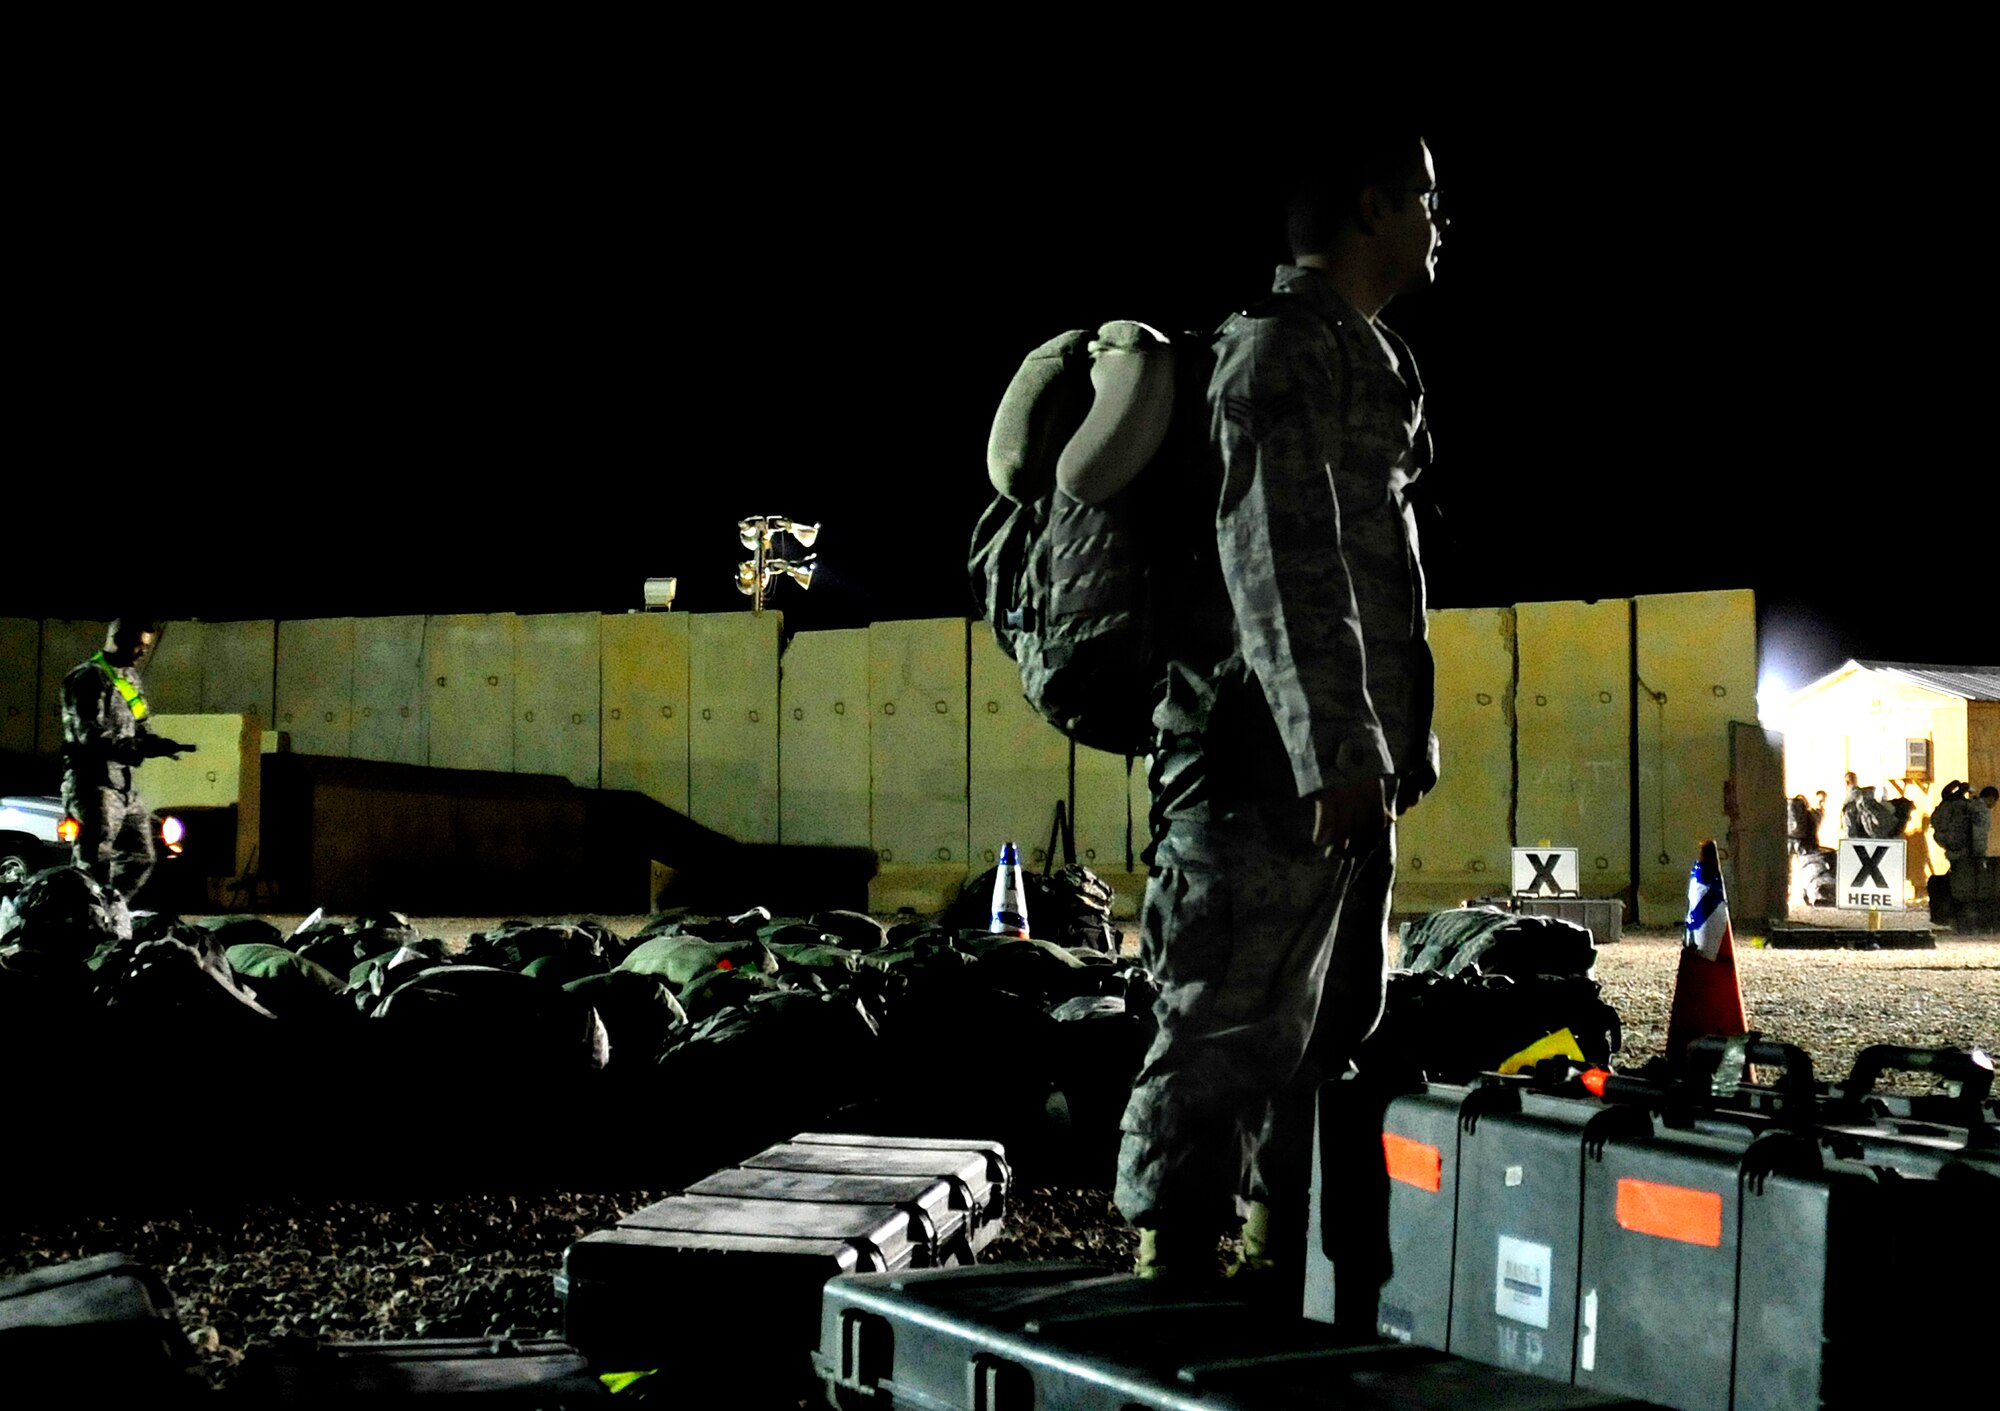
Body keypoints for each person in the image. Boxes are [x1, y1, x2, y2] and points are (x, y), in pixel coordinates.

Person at [1114, 129, 1445, 1300]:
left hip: (1343, 766)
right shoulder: (1273, 355)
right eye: (1423, 198)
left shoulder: (1371, 356)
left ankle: (1269, 1277)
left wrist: (1384, 756)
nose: (1438, 220)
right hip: (1266, 767)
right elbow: (1277, 559)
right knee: (1218, 1035)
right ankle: (1167, 1293)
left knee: (1323, 1032)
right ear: (1368, 207)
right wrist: (1336, 751)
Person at [59, 617, 195, 931]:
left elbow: (141, 724)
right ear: (119, 638)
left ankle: (104, 916)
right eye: (139, 645)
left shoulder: (129, 678)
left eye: (146, 647)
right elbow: (90, 737)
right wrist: (140, 749)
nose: (142, 653)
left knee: (141, 857)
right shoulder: (85, 679)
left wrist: (159, 742)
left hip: (123, 784)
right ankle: (81, 926)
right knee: (94, 863)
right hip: (92, 784)